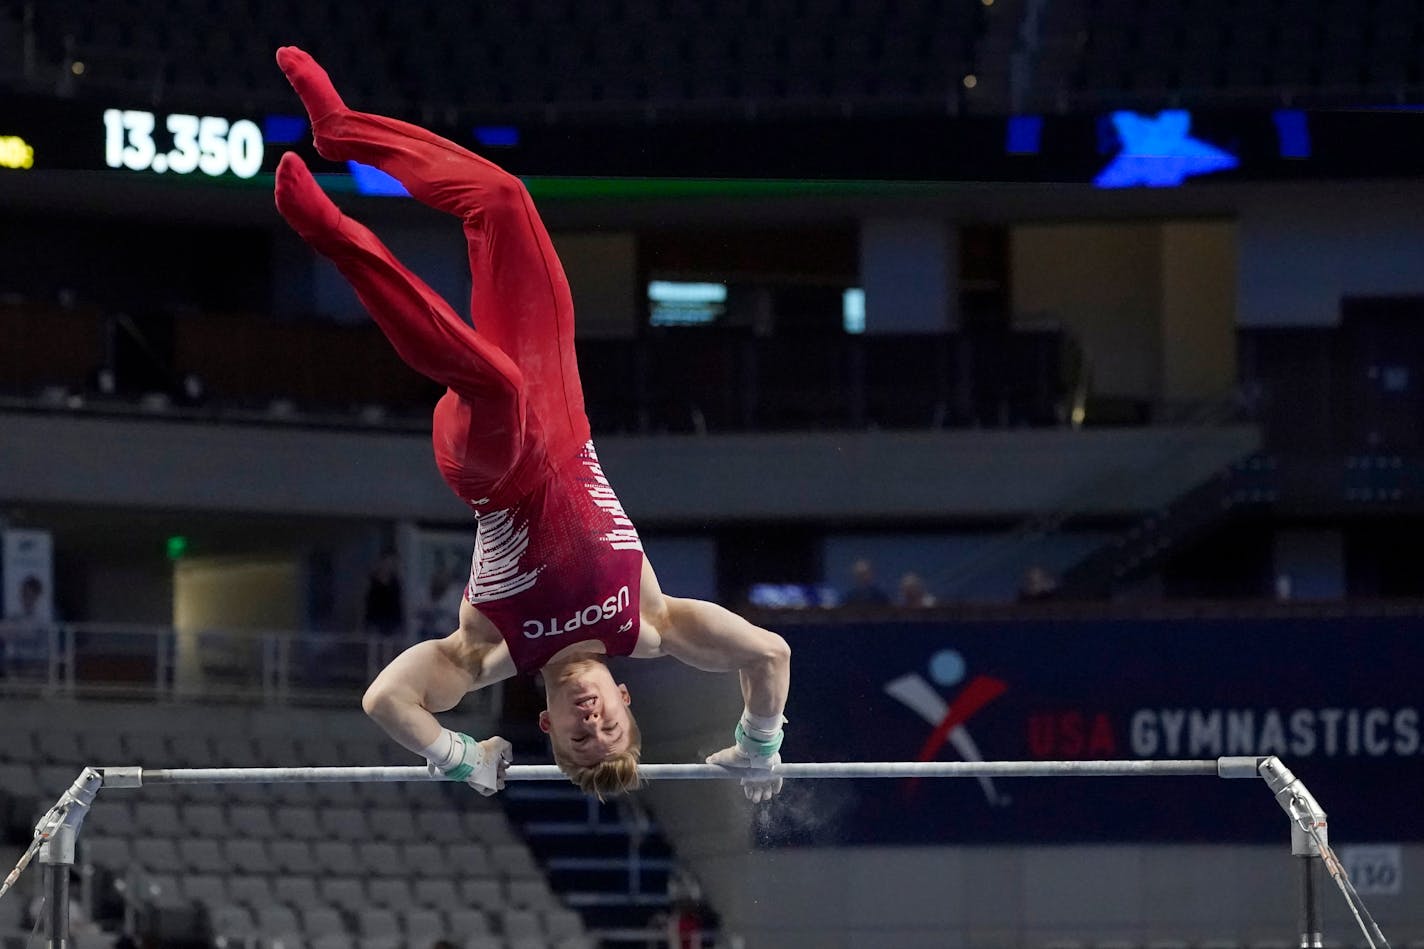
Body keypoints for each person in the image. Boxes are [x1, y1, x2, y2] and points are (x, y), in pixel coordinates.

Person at [272, 47, 789, 801]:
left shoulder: (489, 651)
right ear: (625, 698)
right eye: (608, 723)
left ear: (544, 723)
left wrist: (454, 754)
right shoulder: (649, 621)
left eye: (580, 734)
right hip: (565, 411)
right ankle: (344, 131)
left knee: (496, 384)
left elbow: (385, 699)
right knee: (504, 200)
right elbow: (768, 654)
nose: (591, 718)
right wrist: (758, 746)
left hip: (493, 464)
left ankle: (329, 233)